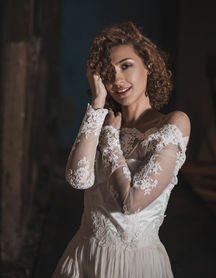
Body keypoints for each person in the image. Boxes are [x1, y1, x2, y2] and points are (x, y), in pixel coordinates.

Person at [52, 21, 190, 278]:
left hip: (133, 265)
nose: (116, 79)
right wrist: (97, 103)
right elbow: (77, 179)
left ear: (148, 64)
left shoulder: (173, 123)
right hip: (84, 258)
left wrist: (110, 139)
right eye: (108, 71)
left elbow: (131, 202)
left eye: (126, 65)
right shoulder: (103, 119)